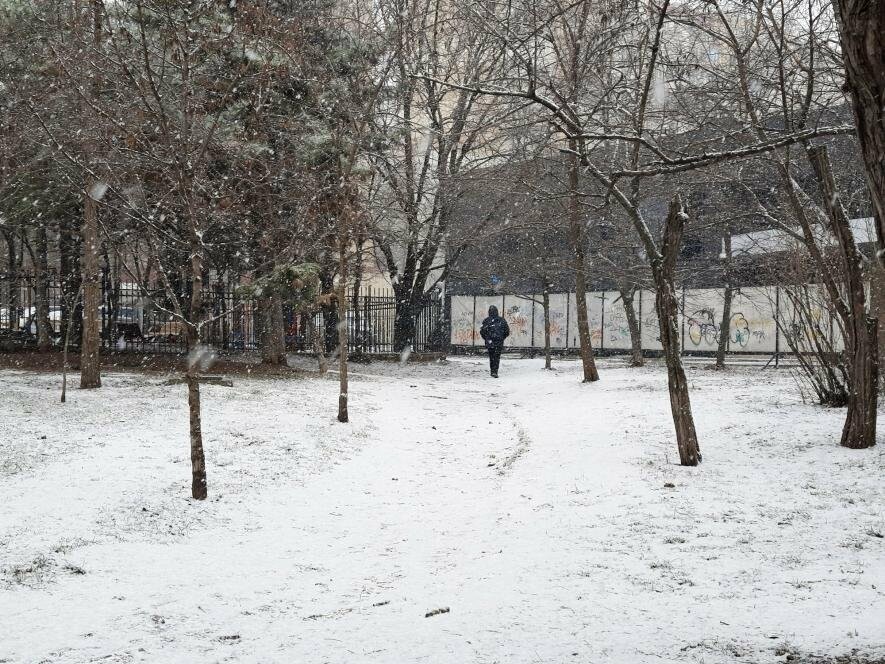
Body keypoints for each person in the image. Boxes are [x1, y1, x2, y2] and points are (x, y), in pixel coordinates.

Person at [479, 305, 510, 378]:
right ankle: (495, 371)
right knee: (497, 357)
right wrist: (502, 338)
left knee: (491, 356)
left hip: (490, 342)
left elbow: (482, 331)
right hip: (499, 342)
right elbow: (507, 331)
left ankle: (492, 371)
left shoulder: (486, 320)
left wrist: (487, 338)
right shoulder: (502, 320)